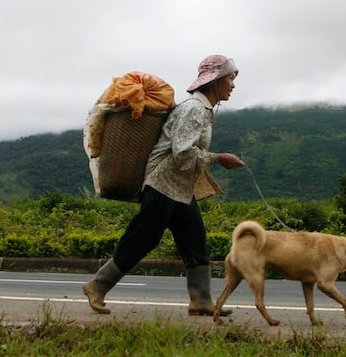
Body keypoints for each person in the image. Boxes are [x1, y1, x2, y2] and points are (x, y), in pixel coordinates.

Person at [83, 54, 245, 316]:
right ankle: (97, 286)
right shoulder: (193, 109)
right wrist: (219, 159)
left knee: (194, 241)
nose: (233, 85)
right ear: (214, 81)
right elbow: (182, 154)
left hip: (179, 188)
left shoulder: (202, 110)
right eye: (230, 78)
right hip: (162, 185)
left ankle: (201, 300)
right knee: (143, 238)